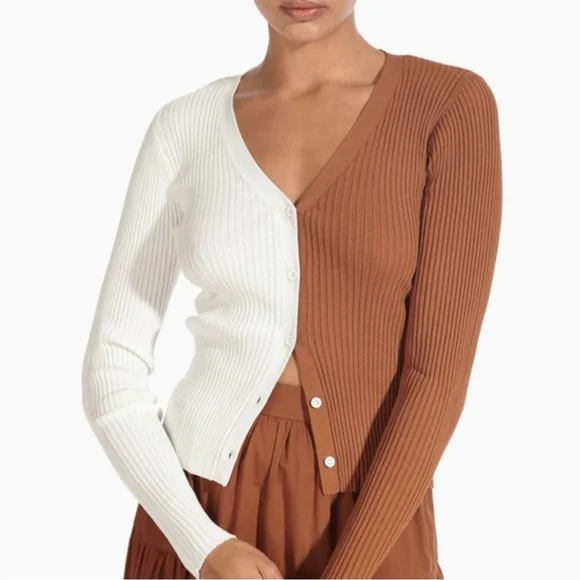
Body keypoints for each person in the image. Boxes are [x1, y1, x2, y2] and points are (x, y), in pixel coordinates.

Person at [81, 0, 503, 578]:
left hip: (372, 513)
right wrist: (202, 545)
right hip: (202, 511)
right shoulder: (185, 126)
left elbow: (436, 377)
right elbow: (112, 365)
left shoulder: (446, 106)